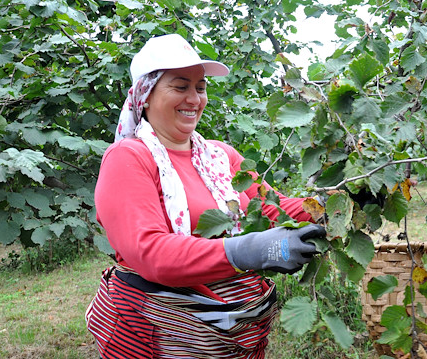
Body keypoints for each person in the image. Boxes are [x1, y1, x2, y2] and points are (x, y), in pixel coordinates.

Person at [85, 33, 325, 359]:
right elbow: (150, 254)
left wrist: (334, 203)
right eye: (180, 86)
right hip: (159, 333)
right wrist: (245, 251)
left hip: (236, 332)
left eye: (200, 87)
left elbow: (272, 209)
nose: (194, 99)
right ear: (145, 94)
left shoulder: (220, 157)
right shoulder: (128, 159)